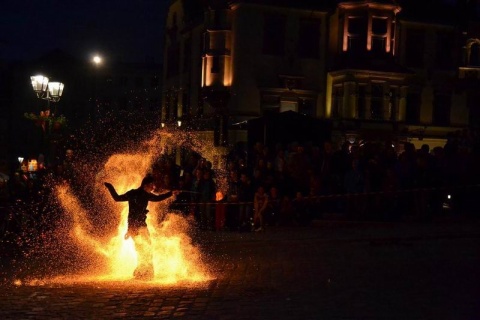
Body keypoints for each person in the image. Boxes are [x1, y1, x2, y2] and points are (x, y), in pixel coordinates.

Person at [104, 174, 178, 279]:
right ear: (145, 185)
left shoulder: (134, 193)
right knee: (144, 249)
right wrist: (171, 193)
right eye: (152, 185)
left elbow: (117, 198)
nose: (154, 187)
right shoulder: (140, 194)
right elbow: (157, 198)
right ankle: (143, 273)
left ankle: (141, 272)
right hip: (137, 227)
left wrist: (110, 187)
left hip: (139, 226)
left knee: (143, 249)